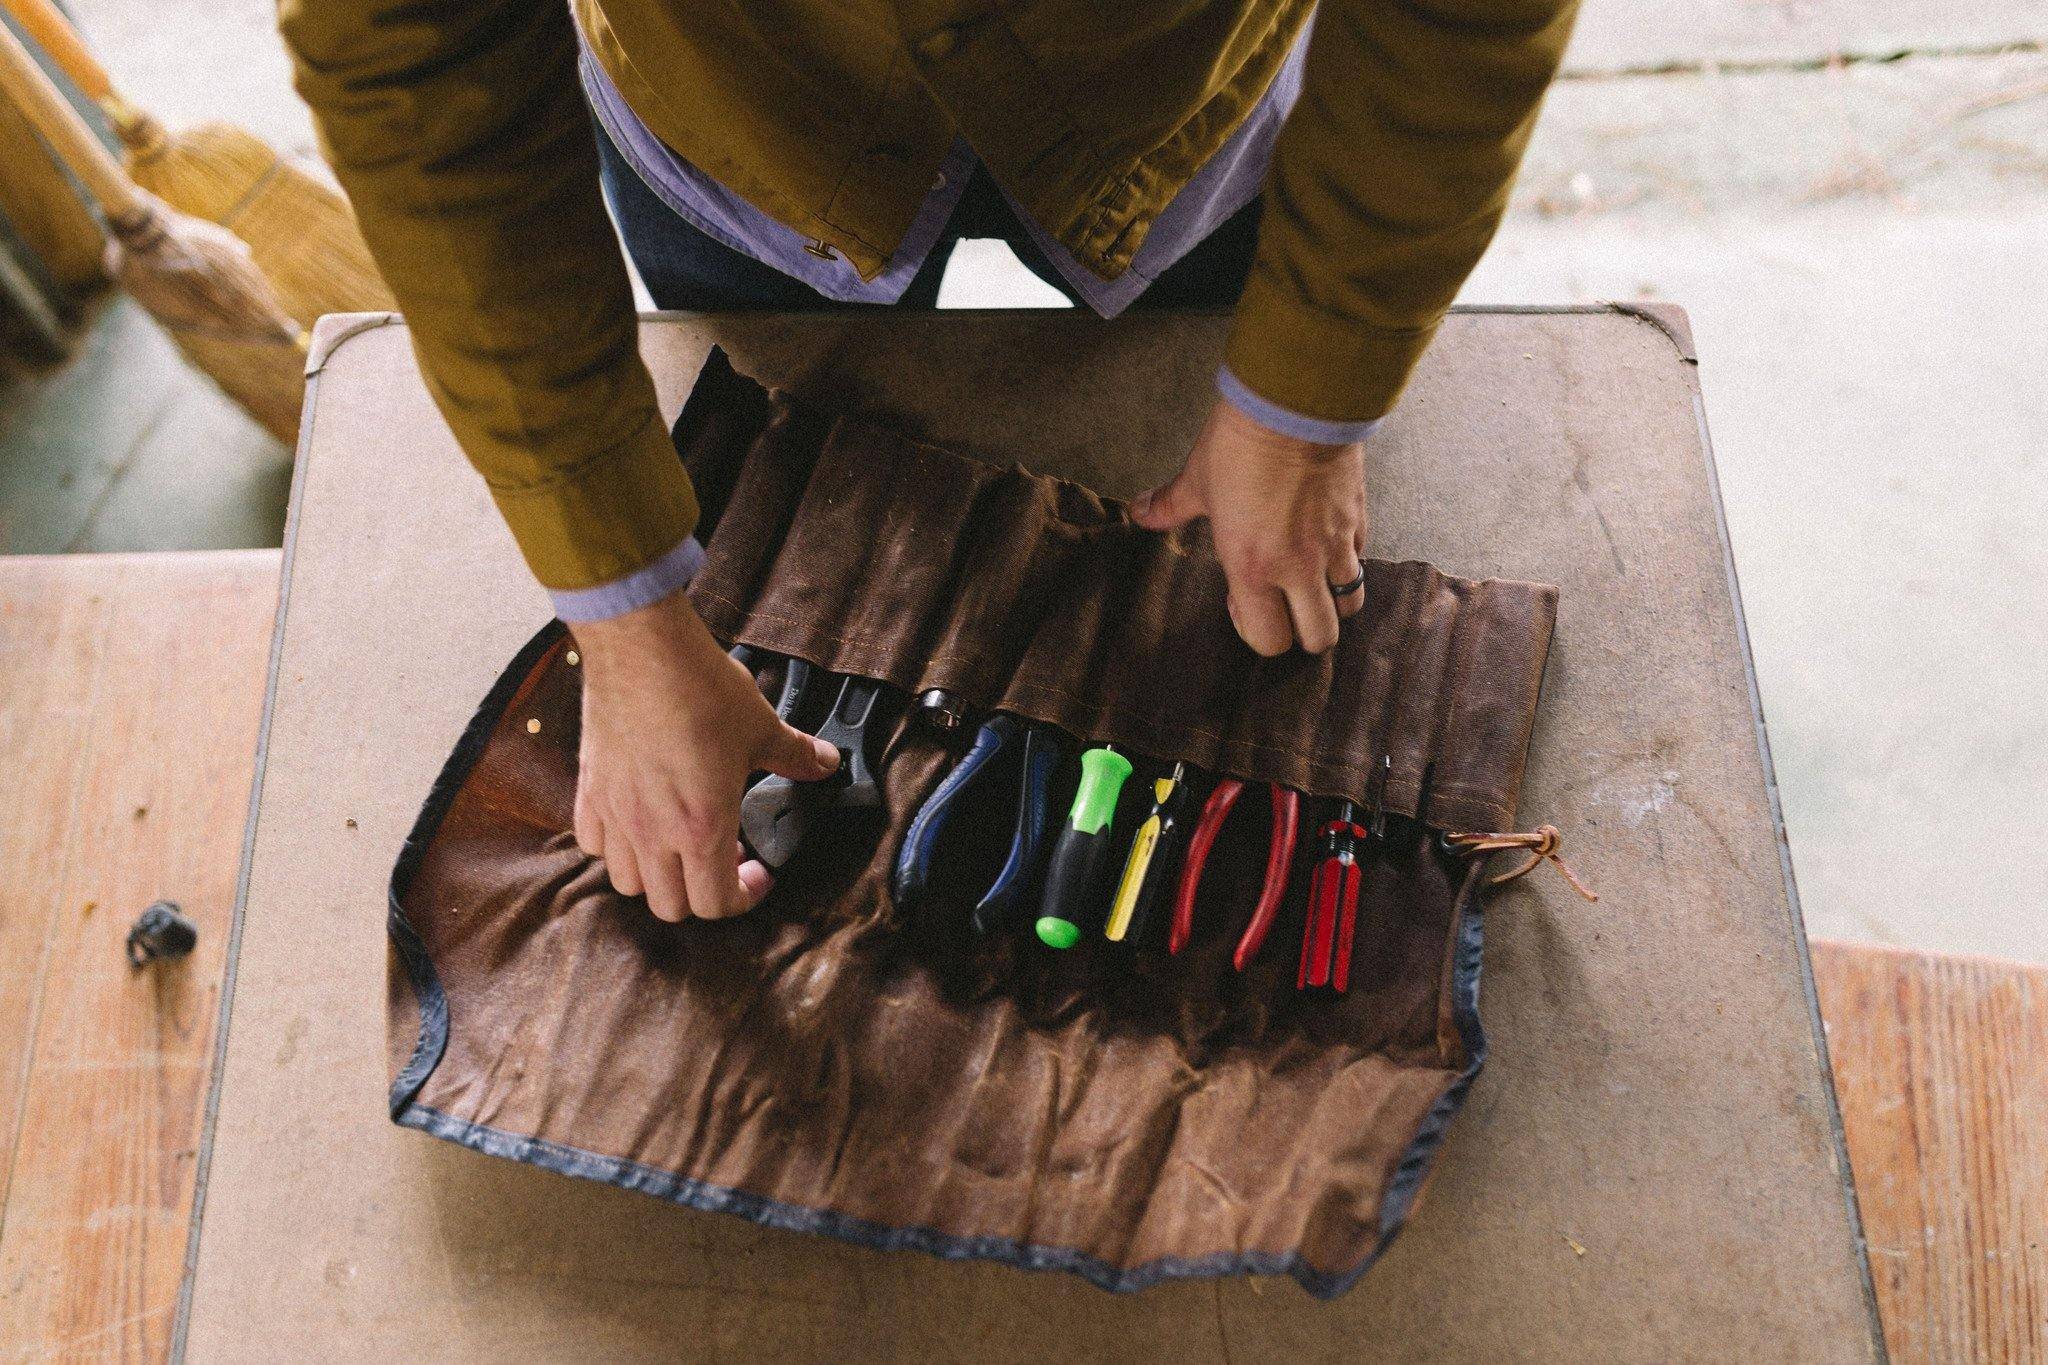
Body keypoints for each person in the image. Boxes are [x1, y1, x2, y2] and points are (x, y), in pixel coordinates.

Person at [280, 0, 1579, 924]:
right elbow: (412, 64)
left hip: (1186, 101)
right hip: (742, 134)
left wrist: (1306, 392)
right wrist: (619, 608)